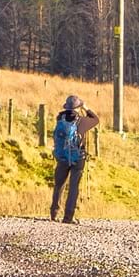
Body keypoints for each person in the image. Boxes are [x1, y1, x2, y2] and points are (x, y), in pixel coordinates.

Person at [49, 95, 99, 223]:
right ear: (78, 107)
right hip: (78, 157)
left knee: (59, 184)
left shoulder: (60, 118)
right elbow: (95, 119)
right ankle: (68, 216)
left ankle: (54, 213)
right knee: (73, 187)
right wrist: (85, 108)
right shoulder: (82, 121)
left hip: (62, 156)